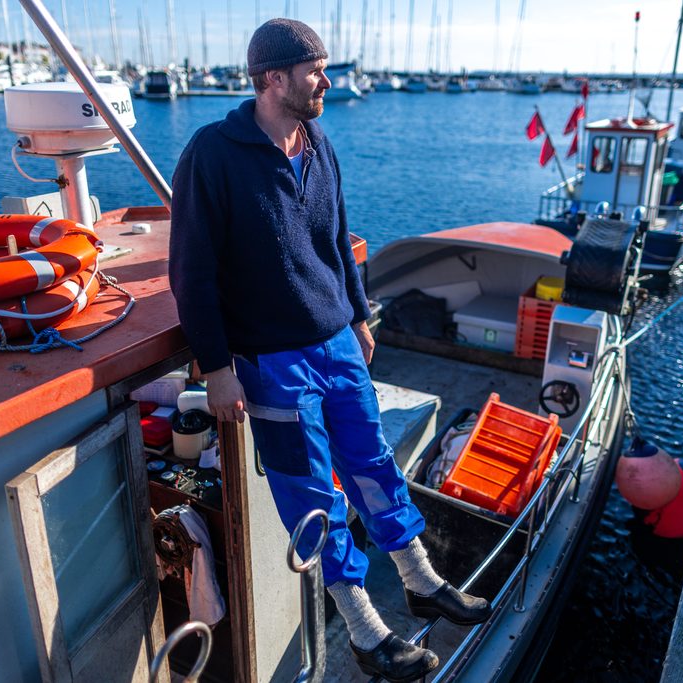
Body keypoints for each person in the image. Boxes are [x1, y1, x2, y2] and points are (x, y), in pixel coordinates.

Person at [169, 18, 491, 682]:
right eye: (314, 68)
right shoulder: (213, 153)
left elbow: (339, 239)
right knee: (312, 493)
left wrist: (360, 316)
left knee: (373, 458)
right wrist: (219, 366)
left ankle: (420, 576)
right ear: (271, 78)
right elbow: (191, 272)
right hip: (268, 360)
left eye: (325, 66)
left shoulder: (319, 141)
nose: (327, 79)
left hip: (336, 342)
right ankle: (368, 635)